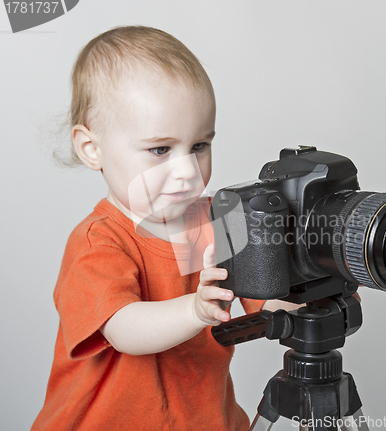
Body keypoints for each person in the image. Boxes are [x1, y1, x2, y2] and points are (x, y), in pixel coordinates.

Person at [31, 25, 288, 431]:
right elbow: (123, 329)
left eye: (199, 146)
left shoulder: (221, 221)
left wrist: (315, 284)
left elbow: (274, 305)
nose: (187, 171)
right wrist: (195, 310)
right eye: (160, 149)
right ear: (91, 148)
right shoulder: (99, 240)